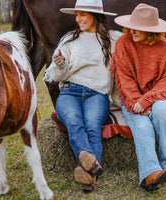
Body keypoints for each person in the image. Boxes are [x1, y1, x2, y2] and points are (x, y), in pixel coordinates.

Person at [43, 0, 122, 193]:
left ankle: (87, 172)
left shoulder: (113, 39)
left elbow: (134, 46)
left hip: (97, 94)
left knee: (92, 125)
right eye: (77, 14)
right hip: (70, 91)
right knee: (73, 120)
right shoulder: (69, 39)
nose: (78, 19)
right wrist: (61, 65)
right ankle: (92, 168)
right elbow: (56, 76)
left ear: (95, 16)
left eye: (83, 14)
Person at [111, 3, 166, 192]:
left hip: (160, 95)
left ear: (150, 31)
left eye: (138, 28)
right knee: (141, 125)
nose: (132, 31)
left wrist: (147, 100)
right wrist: (137, 101)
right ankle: (150, 174)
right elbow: (124, 79)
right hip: (132, 97)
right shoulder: (123, 44)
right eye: (131, 26)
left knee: (161, 112)